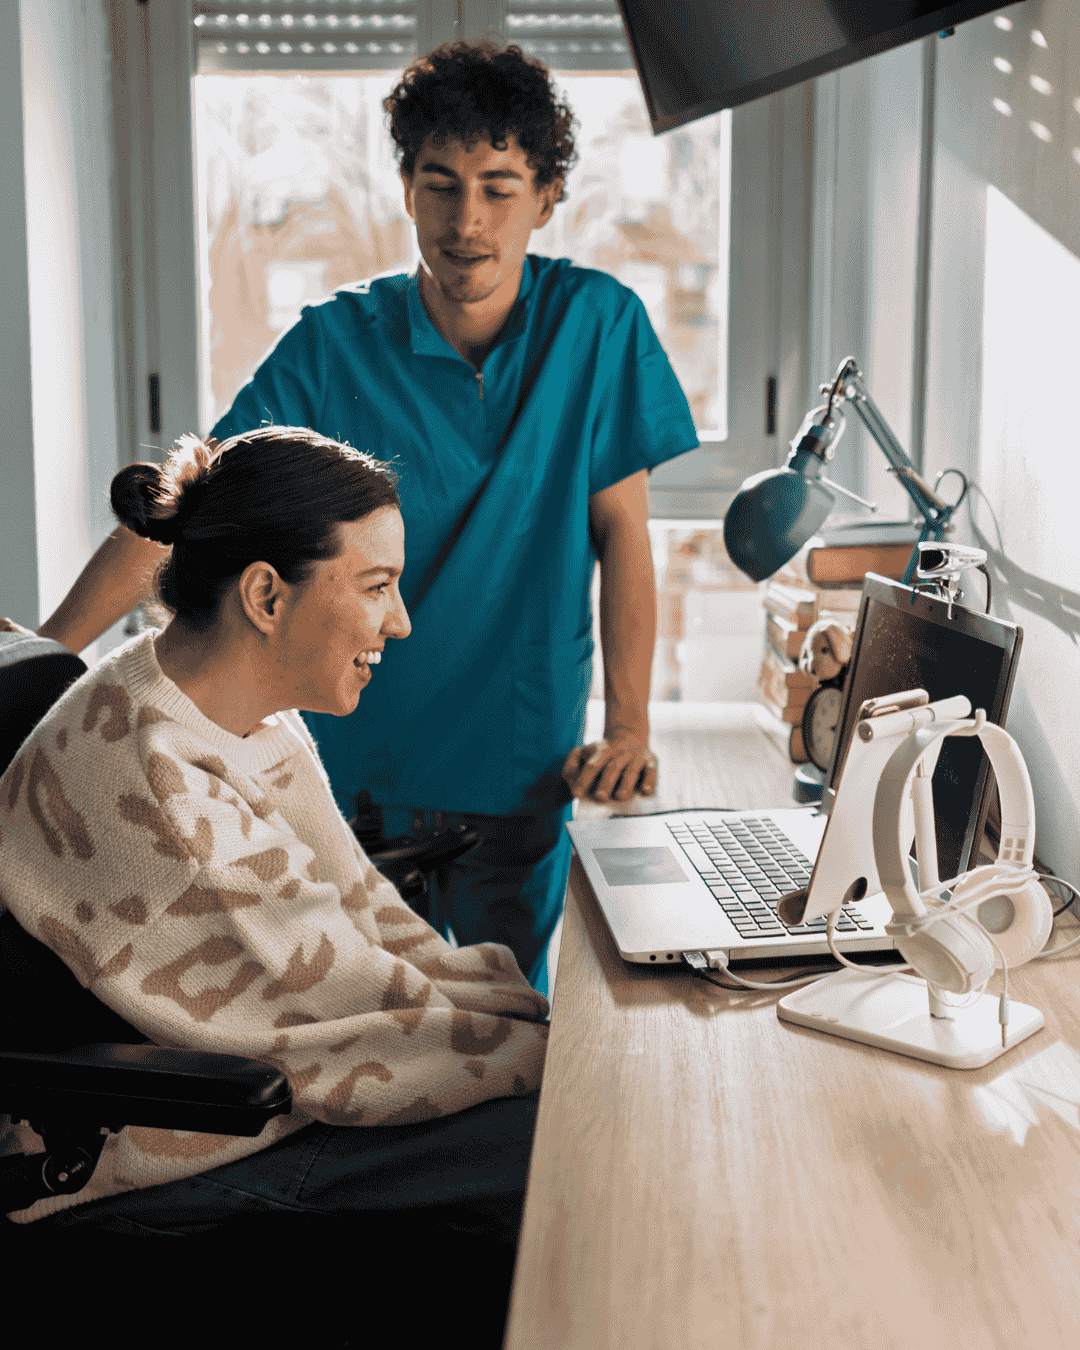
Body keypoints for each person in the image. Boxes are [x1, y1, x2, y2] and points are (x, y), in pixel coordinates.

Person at [34, 41, 701, 999]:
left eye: (499, 188)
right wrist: (47, 661)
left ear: (548, 197)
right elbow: (193, 509)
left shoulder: (598, 326)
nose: (466, 222)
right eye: (440, 184)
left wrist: (629, 727)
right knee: (369, 1012)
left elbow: (623, 536)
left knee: (518, 1014)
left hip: (521, 757)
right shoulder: (334, 343)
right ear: (404, 188)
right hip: (358, 767)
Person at [0, 427, 546, 1257]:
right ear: (265, 597)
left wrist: (533, 1016)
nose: (399, 623)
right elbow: (343, 1023)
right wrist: (568, 1056)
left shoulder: (217, 702)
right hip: (159, 1145)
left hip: (246, 1065)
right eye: (376, 587)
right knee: (566, 1155)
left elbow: (362, 922)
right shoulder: (163, 785)